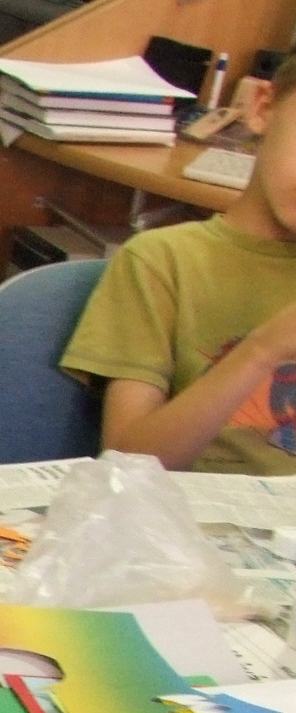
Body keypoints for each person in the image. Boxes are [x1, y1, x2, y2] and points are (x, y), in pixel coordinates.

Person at [60, 52, 296, 471]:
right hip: (197, 506)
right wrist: (263, 350)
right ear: (262, 108)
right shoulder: (161, 263)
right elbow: (127, 464)